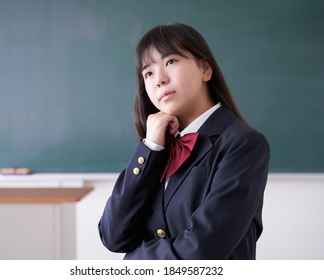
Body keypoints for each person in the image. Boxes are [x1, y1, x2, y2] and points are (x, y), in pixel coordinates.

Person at [98, 22, 270, 259]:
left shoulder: (244, 144)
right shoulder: (156, 147)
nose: (159, 80)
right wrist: (150, 148)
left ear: (205, 70)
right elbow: (113, 236)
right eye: (148, 73)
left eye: (170, 62)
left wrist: (133, 260)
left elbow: (204, 250)